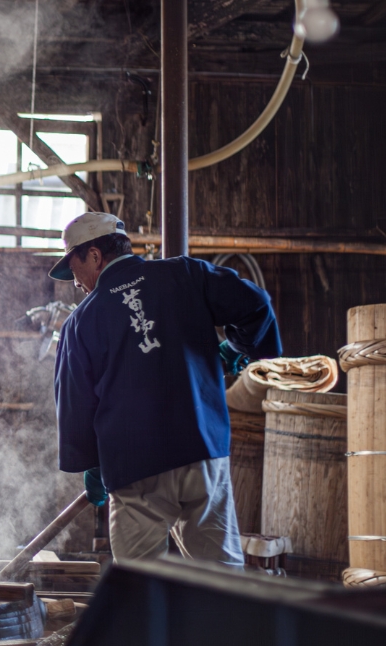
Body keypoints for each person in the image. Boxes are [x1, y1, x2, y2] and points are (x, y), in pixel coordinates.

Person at [49, 212, 281, 566]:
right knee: (222, 581)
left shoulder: (80, 323)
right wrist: (235, 348)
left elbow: (75, 405)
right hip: (201, 451)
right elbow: (257, 305)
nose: (76, 283)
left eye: (74, 268)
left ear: (94, 256)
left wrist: (92, 466)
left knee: (141, 588)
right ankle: (230, 621)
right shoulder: (186, 273)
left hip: (134, 468)